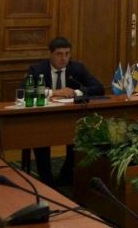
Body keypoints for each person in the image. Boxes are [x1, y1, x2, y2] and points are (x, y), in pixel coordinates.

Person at [25, 36, 104, 185]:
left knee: (77, 136)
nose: (64, 58)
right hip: (43, 118)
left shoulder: (77, 68)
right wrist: (53, 93)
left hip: (70, 117)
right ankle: (46, 179)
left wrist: (76, 92)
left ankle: (67, 174)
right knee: (40, 137)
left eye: (67, 54)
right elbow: (25, 91)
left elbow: (98, 88)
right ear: (50, 54)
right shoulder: (38, 69)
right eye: (59, 54)